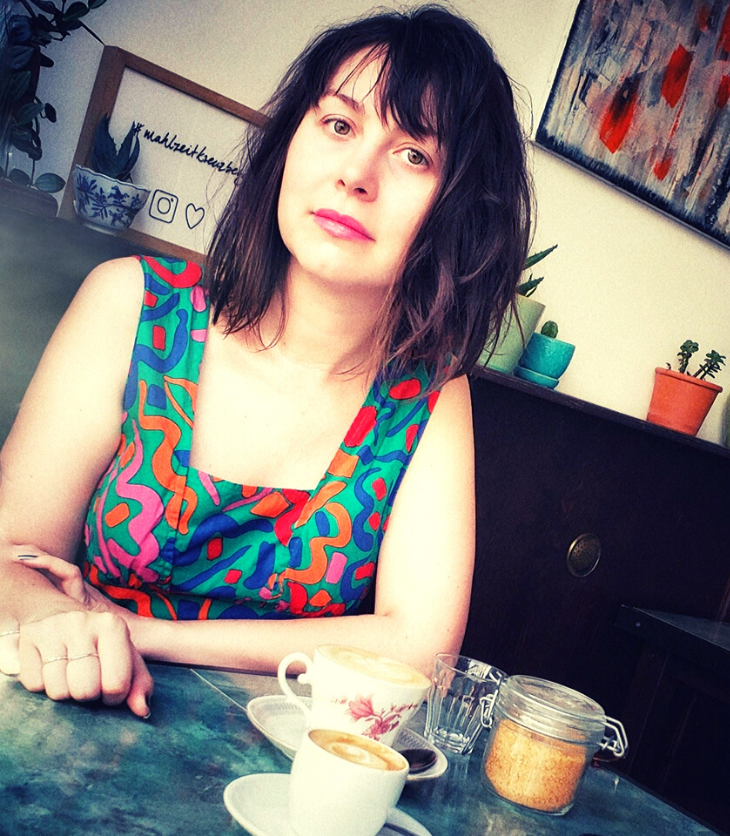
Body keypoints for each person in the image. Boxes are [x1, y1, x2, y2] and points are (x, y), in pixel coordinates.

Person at [0, 5, 531, 718]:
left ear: (460, 209)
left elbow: (417, 648)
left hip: (271, 759)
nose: (356, 175)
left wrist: (146, 632)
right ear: (288, 145)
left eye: (413, 155)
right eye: (338, 124)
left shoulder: (430, 396)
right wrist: (60, 622)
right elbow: (13, 553)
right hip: (65, 709)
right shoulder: (132, 304)